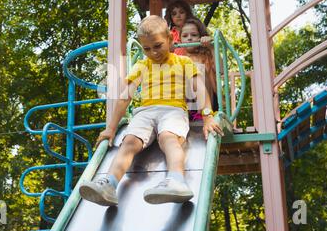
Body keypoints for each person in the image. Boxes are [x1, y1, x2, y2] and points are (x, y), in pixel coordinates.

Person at [79, 15, 223, 207]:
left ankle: (176, 181)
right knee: (129, 142)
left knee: (168, 138)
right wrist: (111, 128)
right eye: (146, 48)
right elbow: (125, 97)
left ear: (171, 40)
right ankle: (110, 184)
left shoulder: (183, 63)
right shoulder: (141, 65)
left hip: (173, 110)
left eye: (158, 45)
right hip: (145, 111)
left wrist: (207, 116)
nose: (153, 52)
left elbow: (199, 88)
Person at [180, 18, 218, 121]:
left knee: (195, 67)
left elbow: (221, 70)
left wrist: (211, 47)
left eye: (194, 35)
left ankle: (203, 112)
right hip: (186, 104)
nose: (189, 38)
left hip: (207, 103)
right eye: (185, 36)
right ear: (180, 40)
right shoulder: (179, 58)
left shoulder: (206, 56)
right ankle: (181, 113)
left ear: (201, 37)